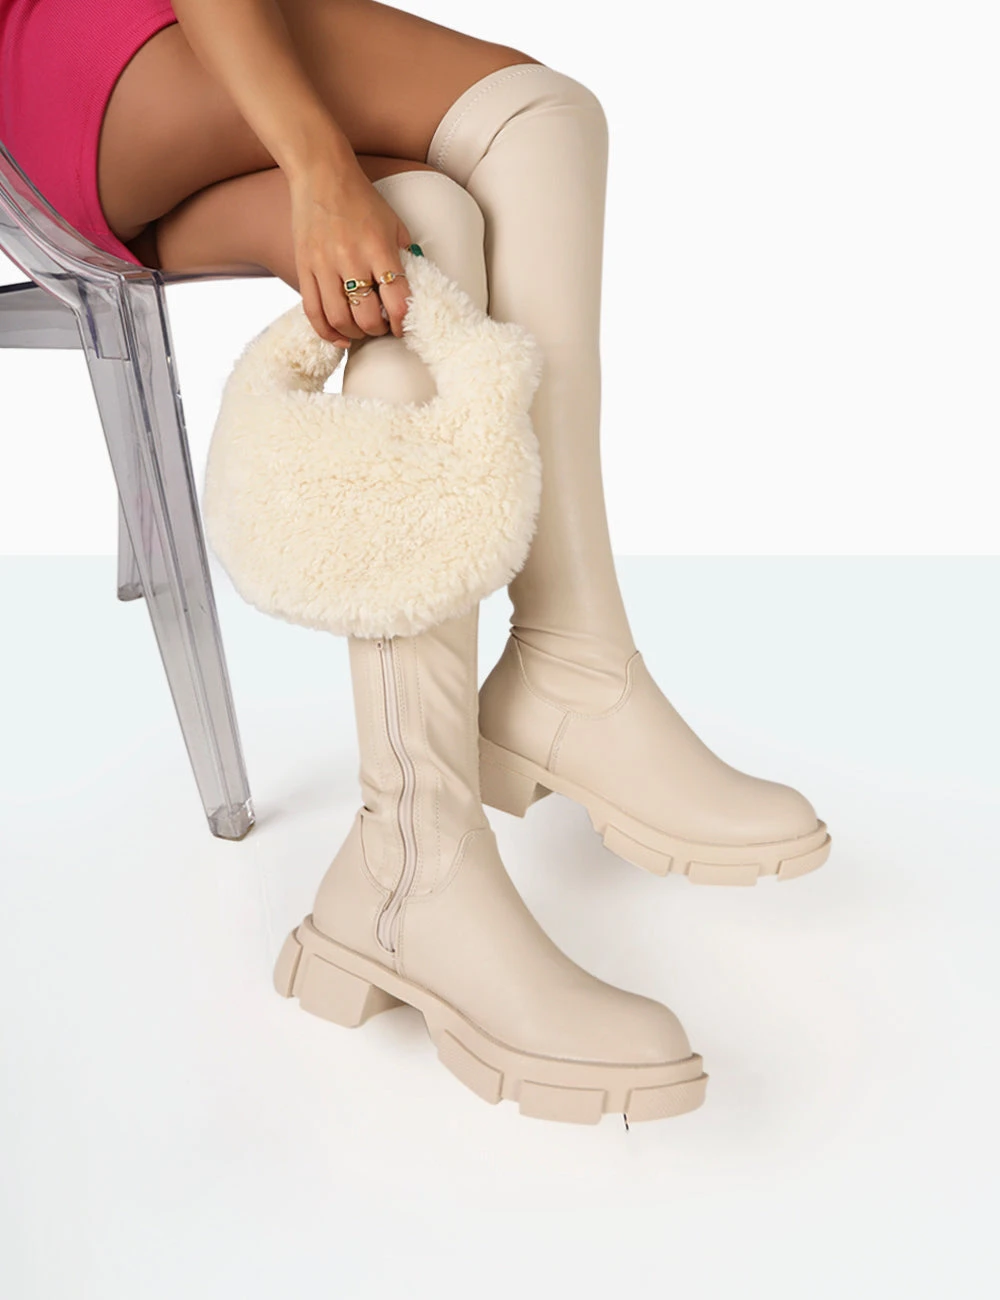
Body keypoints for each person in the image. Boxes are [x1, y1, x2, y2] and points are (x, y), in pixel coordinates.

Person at [0, 0, 830, 1124]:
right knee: (533, 120)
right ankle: (568, 670)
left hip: (69, 157)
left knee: (420, 230)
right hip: (79, 61)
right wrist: (315, 162)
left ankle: (407, 858)